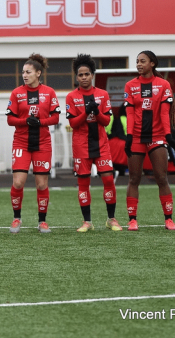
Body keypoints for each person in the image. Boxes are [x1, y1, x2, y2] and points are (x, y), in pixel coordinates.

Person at [123, 50, 175, 231]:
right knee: (134, 178)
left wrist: (168, 136)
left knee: (161, 178)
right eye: (137, 61)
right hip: (136, 137)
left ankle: (169, 220)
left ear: (152, 63)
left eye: (142, 61)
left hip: (157, 137)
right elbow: (129, 114)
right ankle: (132, 220)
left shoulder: (163, 84)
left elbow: (164, 113)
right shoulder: (130, 85)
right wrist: (129, 137)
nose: (138, 64)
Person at [65, 54, 121, 232]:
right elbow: (73, 123)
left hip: (101, 145)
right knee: (83, 184)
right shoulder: (71, 97)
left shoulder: (102, 95)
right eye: (80, 75)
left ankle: (111, 219)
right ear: (76, 76)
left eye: (87, 74)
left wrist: (96, 112)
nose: (83, 77)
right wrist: (84, 113)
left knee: (108, 180)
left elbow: (106, 122)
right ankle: (87, 222)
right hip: (81, 146)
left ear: (92, 75)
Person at [6, 54, 61, 233]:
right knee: (19, 182)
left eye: (28, 72)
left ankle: (42, 221)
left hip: (42, 143)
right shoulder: (16, 93)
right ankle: (16, 218)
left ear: (38, 73)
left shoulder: (49, 92)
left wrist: (41, 122)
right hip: (21, 142)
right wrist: (25, 121)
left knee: (42, 184)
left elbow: (55, 117)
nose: (24, 75)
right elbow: (10, 120)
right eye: (23, 72)